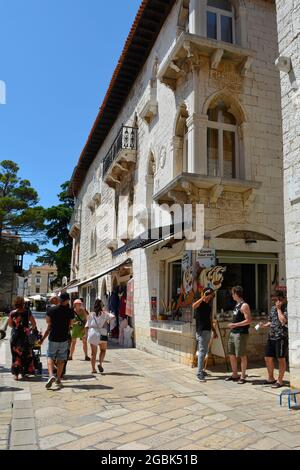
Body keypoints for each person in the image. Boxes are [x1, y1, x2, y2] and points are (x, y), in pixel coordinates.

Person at [40, 293, 74, 389]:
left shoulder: (51, 310)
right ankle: (58, 379)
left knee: (50, 356)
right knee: (62, 359)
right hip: (64, 338)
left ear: (59, 299)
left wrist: (42, 339)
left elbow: (48, 323)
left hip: (53, 337)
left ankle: (51, 375)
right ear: (67, 300)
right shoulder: (70, 311)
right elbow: (71, 325)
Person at [260, 291, 288, 388]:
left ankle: (280, 381)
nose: (275, 302)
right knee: (267, 357)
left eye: (276, 300)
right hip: (271, 336)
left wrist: (279, 309)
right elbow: (271, 322)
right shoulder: (272, 308)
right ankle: (271, 378)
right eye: (274, 300)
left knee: (281, 359)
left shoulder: (286, 308)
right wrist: (264, 325)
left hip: (281, 336)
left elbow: (283, 321)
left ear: (281, 299)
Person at [226, 286, 252, 384]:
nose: (232, 295)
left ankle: (243, 376)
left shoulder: (244, 305)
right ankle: (235, 374)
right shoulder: (237, 304)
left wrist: (235, 324)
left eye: (233, 293)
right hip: (233, 332)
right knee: (231, 354)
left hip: (241, 333)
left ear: (236, 294)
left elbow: (248, 320)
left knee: (242, 354)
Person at [8, 296, 37, 381]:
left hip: (15, 337)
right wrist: (29, 329)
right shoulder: (28, 312)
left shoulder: (12, 313)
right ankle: (23, 372)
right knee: (25, 355)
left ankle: (16, 375)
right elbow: (34, 323)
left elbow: (10, 324)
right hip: (24, 337)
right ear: (23, 303)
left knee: (15, 355)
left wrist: (16, 326)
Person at [192, 288, 217, 382]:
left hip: (207, 330)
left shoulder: (208, 305)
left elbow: (209, 318)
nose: (209, 298)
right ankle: (199, 373)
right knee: (202, 351)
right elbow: (193, 306)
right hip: (201, 330)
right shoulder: (200, 303)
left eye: (211, 297)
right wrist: (202, 298)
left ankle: (201, 370)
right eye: (209, 296)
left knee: (205, 351)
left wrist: (214, 330)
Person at [86, 299, 116, 374]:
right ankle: (100, 363)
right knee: (103, 350)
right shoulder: (104, 314)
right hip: (102, 334)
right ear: (102, 306)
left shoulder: (91, 314)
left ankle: (93, 369)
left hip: (93, 334)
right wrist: (106, 320)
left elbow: (86, 326)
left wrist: (86, 336)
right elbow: (113, 317)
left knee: (93, 353)